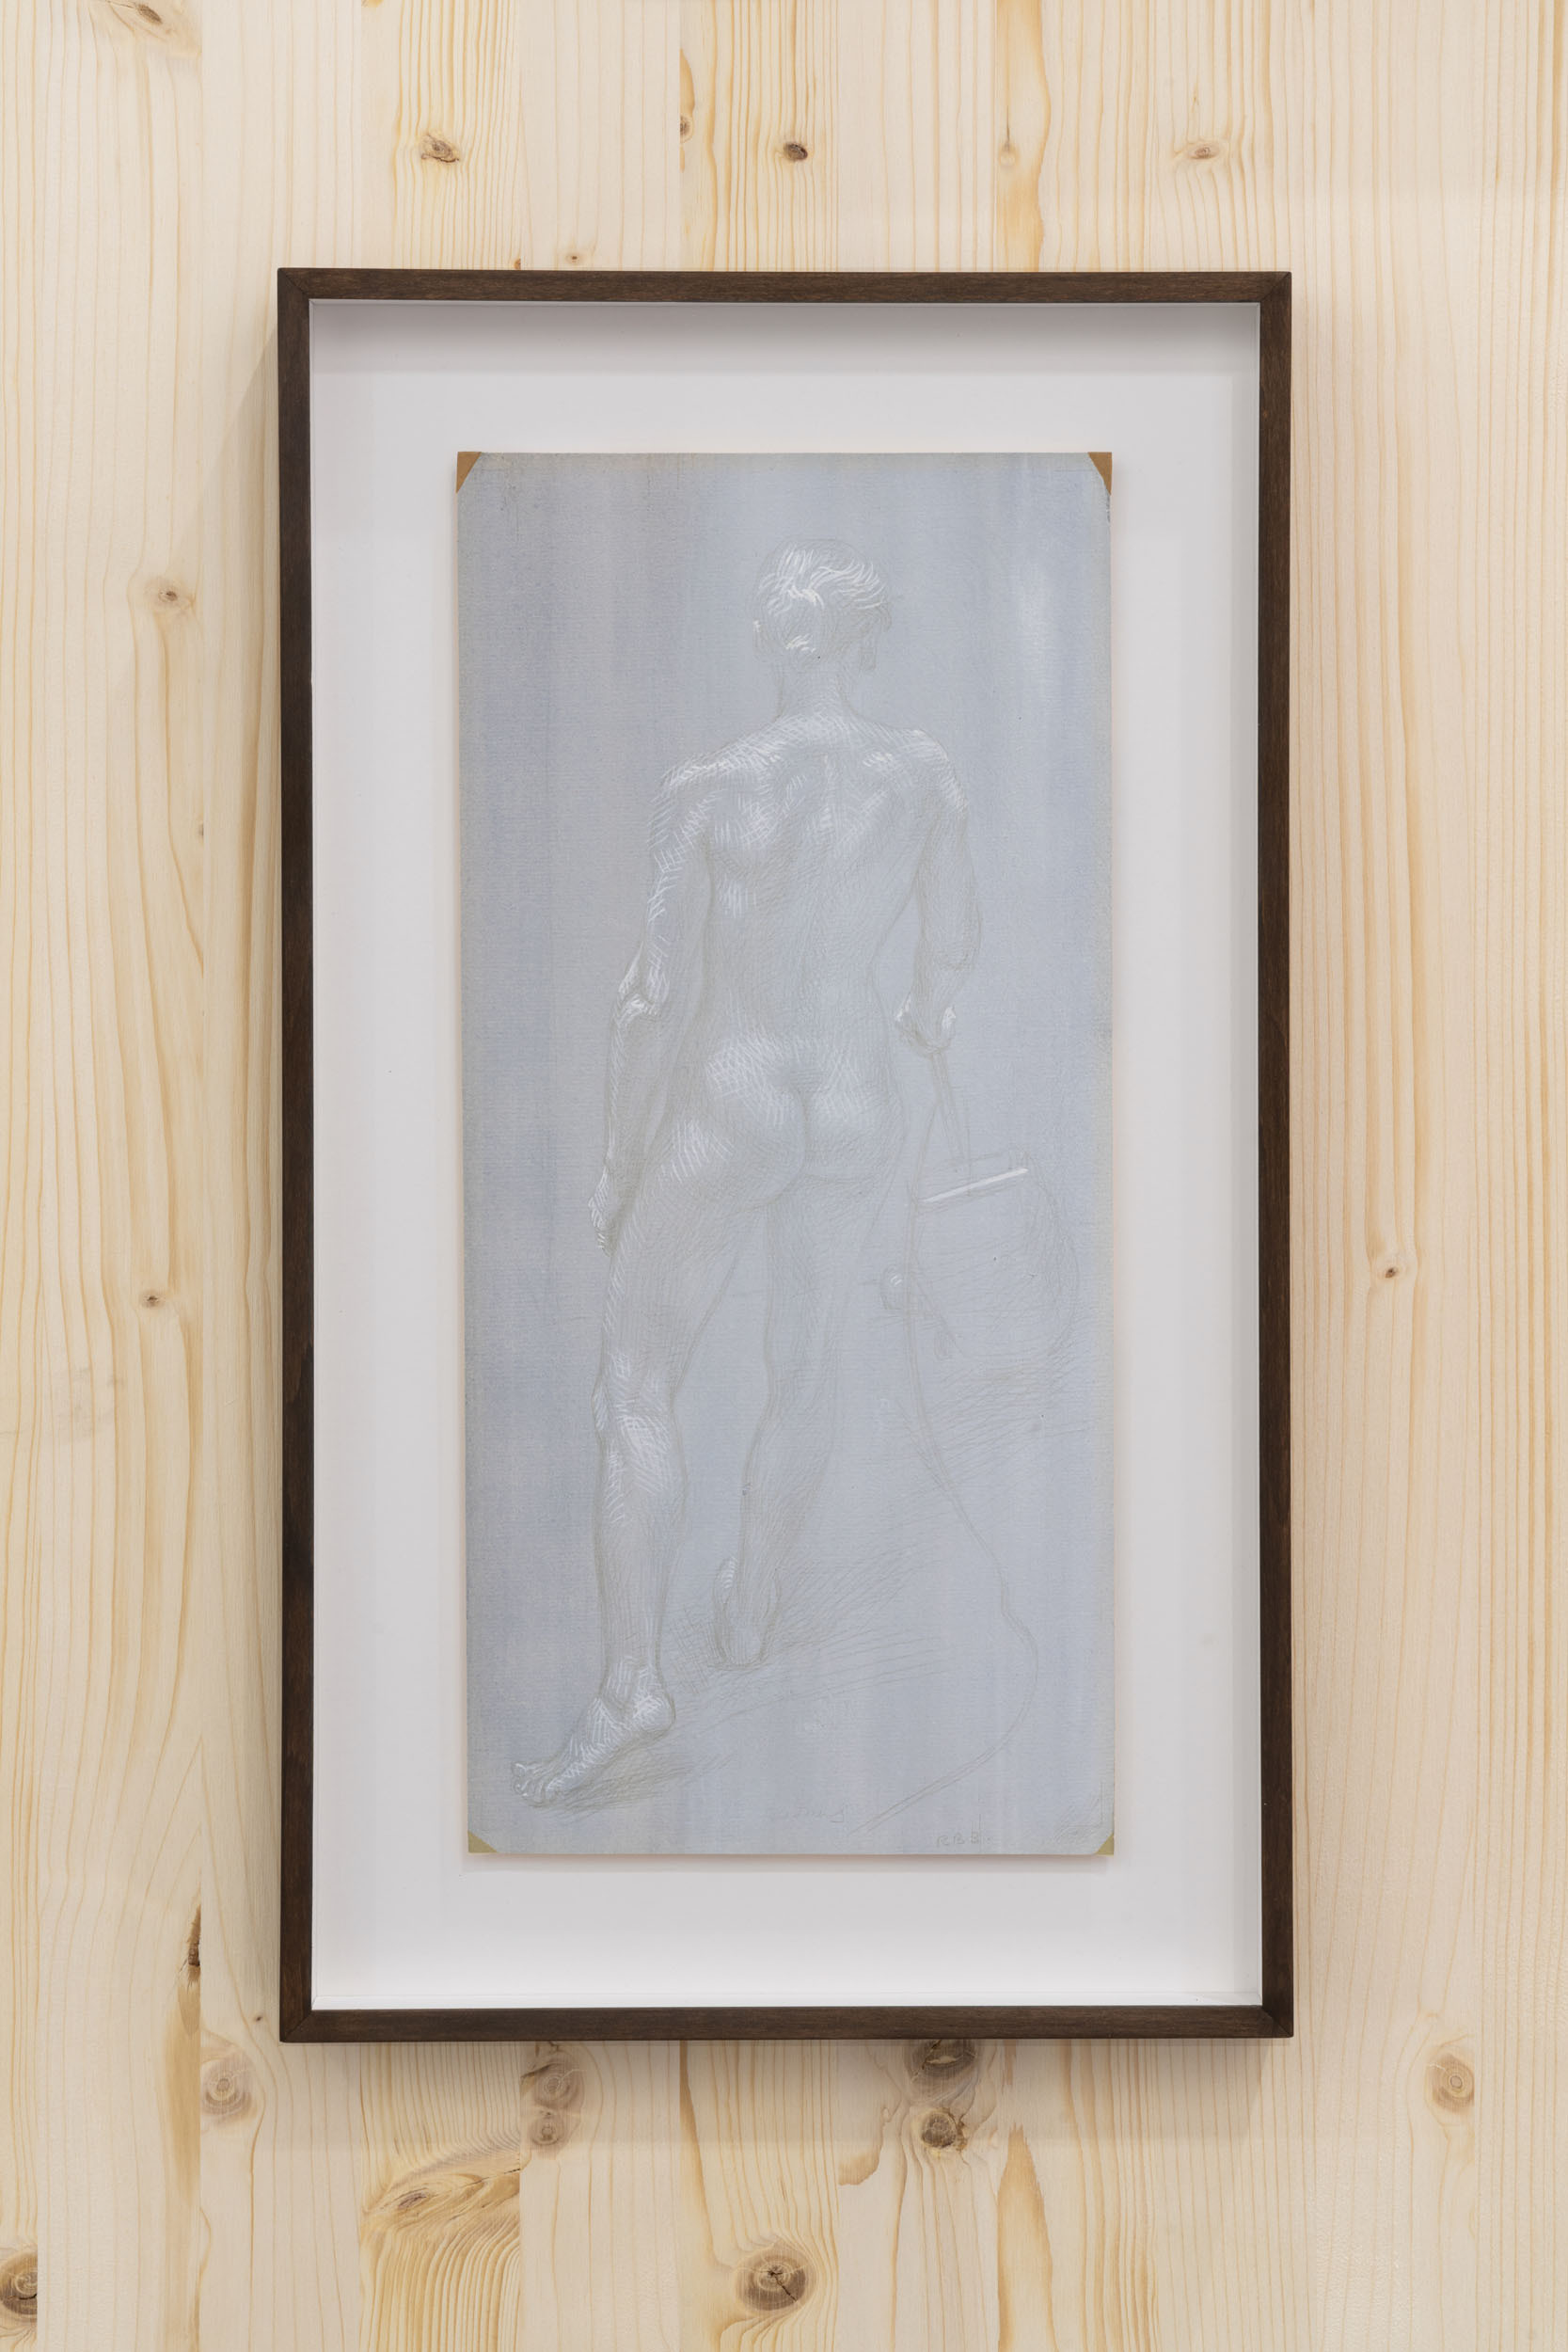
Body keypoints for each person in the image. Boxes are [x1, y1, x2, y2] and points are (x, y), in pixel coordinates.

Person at [515, 537, 980, 1804]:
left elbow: (653, 998)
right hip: (854, 1104)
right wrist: (924, 1012)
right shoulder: (923, 777)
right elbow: (950, 953)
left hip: (734, 1103)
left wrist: (620, 1163)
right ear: (861, 643)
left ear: (778, 641)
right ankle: (754, 1605)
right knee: (805, 1365)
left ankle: (632, 1687)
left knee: (636, 1385)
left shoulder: (712, 792)